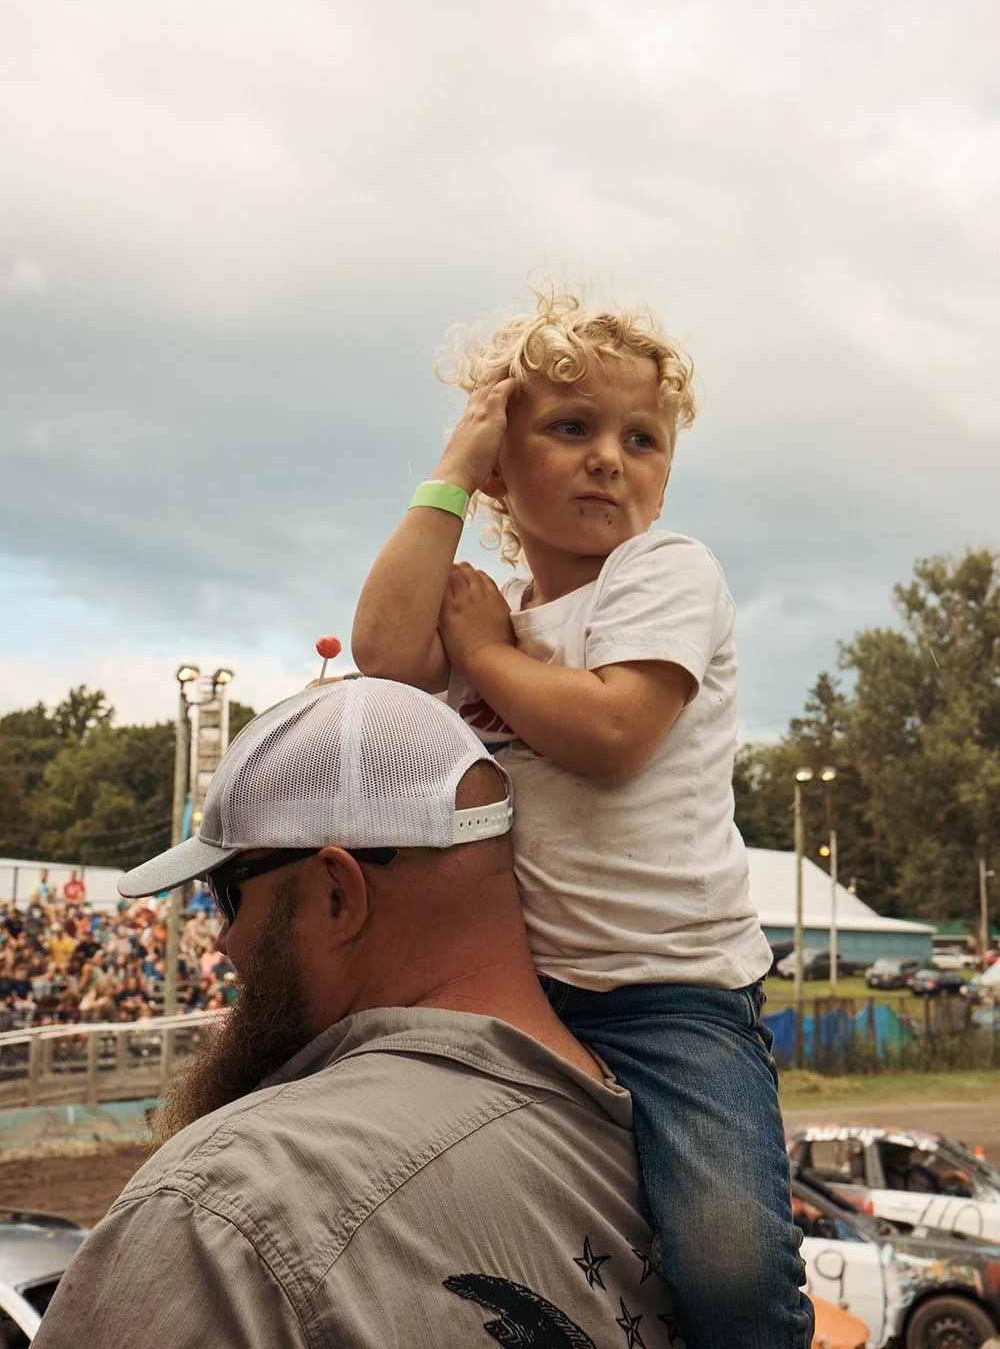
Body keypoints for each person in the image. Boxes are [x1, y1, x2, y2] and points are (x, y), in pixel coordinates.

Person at [352, 284, 812, 1349]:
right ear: (507, 470)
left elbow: (611, 735)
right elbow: (381, 649)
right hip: (525, 990)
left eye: (641, 438)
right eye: (571, 429)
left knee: (731, 1267)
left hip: (672, 999)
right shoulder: (497, 611)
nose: (611, 456)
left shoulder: (665, 572)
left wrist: (484, 657)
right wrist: (454, 471)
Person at [34, 679, 680, 1348]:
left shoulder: (219, 1212)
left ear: (338, 894)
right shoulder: (668, 1147)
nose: (222, 939)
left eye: (227, 894)